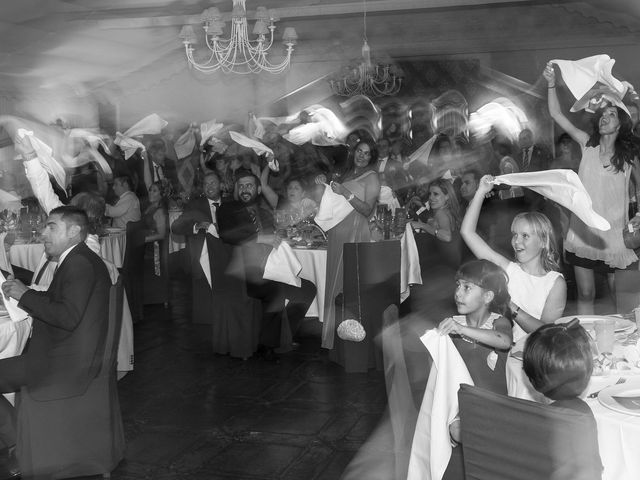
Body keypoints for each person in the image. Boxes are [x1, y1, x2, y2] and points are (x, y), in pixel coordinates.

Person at [0, 206, 111, 475]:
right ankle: (18, 441)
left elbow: (68, 315)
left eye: (51, 227)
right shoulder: (76, 259)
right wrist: (24, 292)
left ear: (74, 231)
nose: (43, 232)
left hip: (63, 363)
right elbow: (57, 300)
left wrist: (25, 296)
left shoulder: (80, 263)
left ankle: (18, 444)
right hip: (68, 353)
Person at [544, 62, 640, 314]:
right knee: (586, 293)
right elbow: (557, 115)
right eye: (602, 116)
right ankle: (586, 342)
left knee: (617, 295)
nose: (604, 119)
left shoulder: (629, 155)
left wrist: (639, 214)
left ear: (621, 123)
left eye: (611, 115)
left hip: (613, 234)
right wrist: (552, 83)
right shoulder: (587, 144)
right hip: (583, 231)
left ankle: (622, 344)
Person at [218, 172, 316, 360]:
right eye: (242, 186)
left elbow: (276, 236)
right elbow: (227, 234)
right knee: (275, 290)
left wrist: (280, 239)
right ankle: (268, 343)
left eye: (250, 185)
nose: (245, 189)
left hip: (268, 268)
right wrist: (260, 238)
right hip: (244, 272)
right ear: (237, 189)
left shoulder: (263, 212)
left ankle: (283, 334)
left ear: (258, 189)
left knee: (307, 289)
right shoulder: (227, 209)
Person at [461, 175, 566, 343]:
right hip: (505, 353)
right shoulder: (508, 269)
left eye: (525, 236)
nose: (516, 241)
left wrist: (511, 306)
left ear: (542, 241)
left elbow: (546, 332)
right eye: (515, 235)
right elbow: (468, 233)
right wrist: (481, 191)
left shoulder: (555, 283)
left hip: (534, 356)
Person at [438, 259, 513, 479]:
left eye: (467, 287)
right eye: (458, 286)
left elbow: (504, 341)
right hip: (462, 410)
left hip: (495, 409)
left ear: (488, 296)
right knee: (457, 430)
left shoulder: (499, 323)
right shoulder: (451, 324)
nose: (458, 293)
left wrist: (463, 330)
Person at [320, 139, 380, 350]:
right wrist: (324, 185)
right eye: (359, 152)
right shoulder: (347, 174)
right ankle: (332, 339)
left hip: (355, 232)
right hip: (338, 232)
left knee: (349, 284)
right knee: (334, 283)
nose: (361, 156)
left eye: (367, 153)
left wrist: (346, 193)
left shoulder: (372, 177)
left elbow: (367, 210)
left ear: (372, 158)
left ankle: (351, 341)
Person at [522, 320, 602, 477]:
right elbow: (590, 472)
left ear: (532, 380)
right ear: (587, 372)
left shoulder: (527, 416)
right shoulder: (579, 414)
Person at [410, 178, 462, 270]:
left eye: (436, 194)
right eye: (430, 194)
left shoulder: (441, 213)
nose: (431, 198)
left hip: (441, 265)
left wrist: (423, 226)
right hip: (449, 262)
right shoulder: (448, 211)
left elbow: (447, 236)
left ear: (447, 196)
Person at [141, 180, 170, 306]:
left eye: (154, 190)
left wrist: (143, 239)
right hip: (148, 246)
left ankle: (161, 298)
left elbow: (162, 234)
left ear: (161, 194)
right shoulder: (150, 207)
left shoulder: (159, 211)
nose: (151, 193)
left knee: (157, 270)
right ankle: (152, 298)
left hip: (156, 247)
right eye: (150, 190)